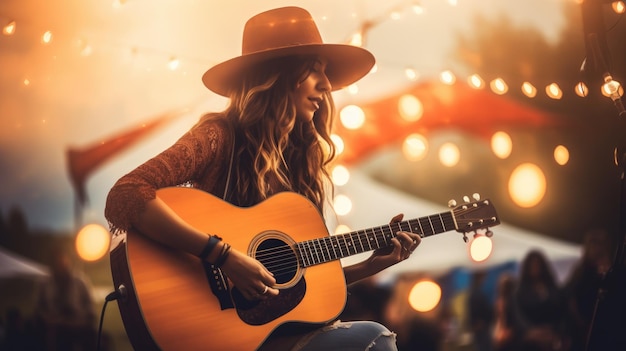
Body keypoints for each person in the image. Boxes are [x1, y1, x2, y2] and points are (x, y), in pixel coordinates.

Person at [105, 6, 422, 351]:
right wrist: (223, 256)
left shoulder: (301, 161)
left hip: (270, 336)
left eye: (326, 74)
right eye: (314, 71)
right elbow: (125, 193)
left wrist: (369, 266)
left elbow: (299, 290)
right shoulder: (219, 137)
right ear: (278, 75)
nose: (327, 86)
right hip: (215, 336)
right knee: (375, 340)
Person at [35, 247, 96, 351]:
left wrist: (78, 321)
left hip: (77, 326)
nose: (61, 266)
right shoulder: (44, 284)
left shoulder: (80, 282)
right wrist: (49, 318)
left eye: (63, 262)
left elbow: (90, 311)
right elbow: (39, 309)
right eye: (57, 262)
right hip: (53, 328)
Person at [512, 250, 569, 351]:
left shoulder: (552, 288)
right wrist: (532, 331)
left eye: (537, 264)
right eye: (532, 265)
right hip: (530, 339)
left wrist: (554, 331)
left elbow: (562, 310)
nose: (535, 267)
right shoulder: (521, 291)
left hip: (552, 336)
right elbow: (518, 315)